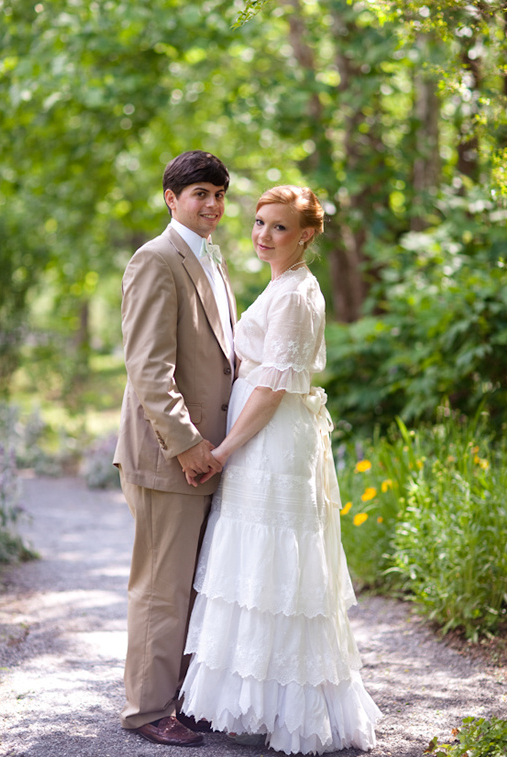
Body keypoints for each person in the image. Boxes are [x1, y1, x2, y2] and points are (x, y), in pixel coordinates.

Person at [180, 185, 382, 754]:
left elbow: (270, 388)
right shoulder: (281, 284)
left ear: (307, 236)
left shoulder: (297, 294)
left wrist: (222, 452)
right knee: (255, 566)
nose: (264, 235)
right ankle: (251, 701)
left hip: (271, 440)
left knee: (277, 568)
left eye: (280, 228)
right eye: (260, 223)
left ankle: (290, 708)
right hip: (259, 437)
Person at [113, 150, 237, 747]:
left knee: (189, 585)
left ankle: (179, 702)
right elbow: (149, 370)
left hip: (211, 453)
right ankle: (145, 711)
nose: (211, 204)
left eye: (218, 194)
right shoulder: (156, 259)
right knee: (161, 588)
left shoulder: (213, 259)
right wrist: (188, 445)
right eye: (199, 194)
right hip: (169, 456)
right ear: (171, 197)